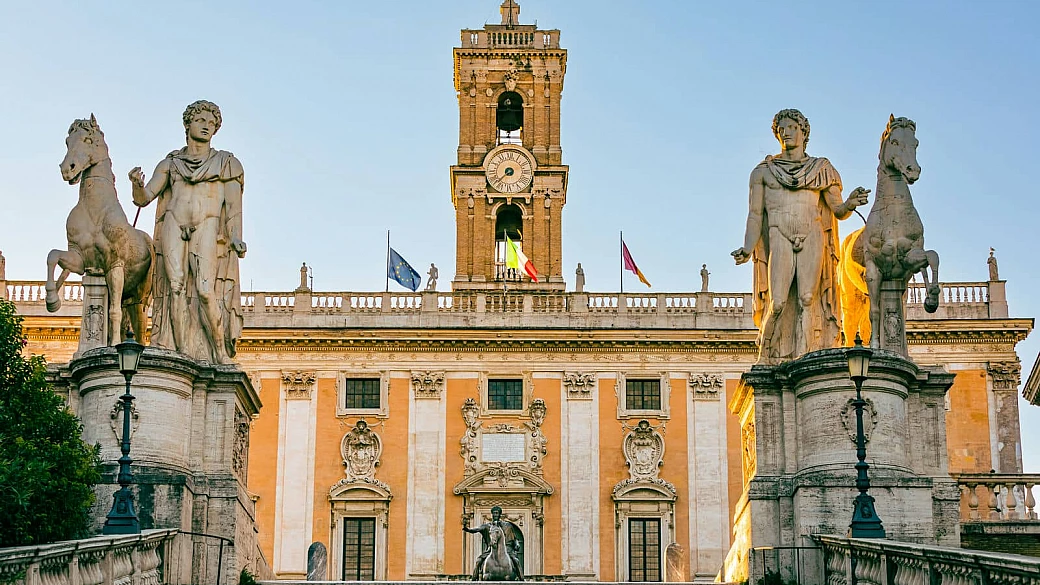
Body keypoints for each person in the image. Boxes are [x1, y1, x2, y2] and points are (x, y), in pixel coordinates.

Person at [732, 109, 869, 364]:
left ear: (804, 132)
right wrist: (748, 247)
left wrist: (850, 203)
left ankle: (806, 359)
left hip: (812, 234)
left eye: (792, 127)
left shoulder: (822, 169)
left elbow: (838, 210)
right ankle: (765, 357)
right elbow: (755, 214)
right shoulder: (763, 172)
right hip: (779, 235)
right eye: (781, 129)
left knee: (808, 298)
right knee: (778, 302)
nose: (786, 133)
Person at [130, 100, 246, 363]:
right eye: (201, 120)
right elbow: (144, 197)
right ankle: (181, 353)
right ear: (188, 124)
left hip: (207, 225)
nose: (207, 126)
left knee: (205, 290)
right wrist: (136, 185)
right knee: (175, 288)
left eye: (212, 123)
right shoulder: (171, 163)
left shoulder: (226, 164)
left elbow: (233, 209)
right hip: (174, 222)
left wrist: (235, 237)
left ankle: (219, 352)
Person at [465, 505, 523, 580]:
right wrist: (469, 530)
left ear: (500, 514)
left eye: (497, 513)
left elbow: (514, 538)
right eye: (494, 513)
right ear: (492, 514)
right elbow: (477, 529)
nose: (495, 514)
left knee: (516, 560)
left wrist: (517, 543)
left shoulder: (508, 525)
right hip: (492, 549)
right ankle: (474, 579)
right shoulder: (488, 526)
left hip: (507, 549)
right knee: (478, 561)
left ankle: (521, 579)